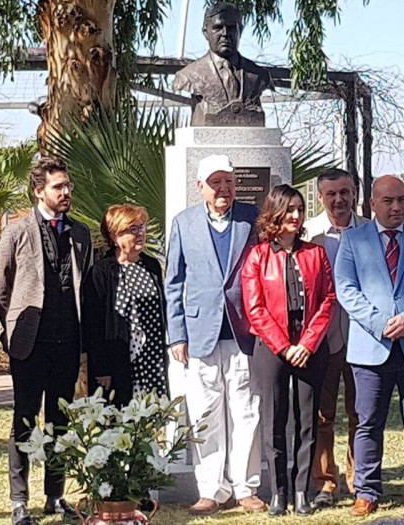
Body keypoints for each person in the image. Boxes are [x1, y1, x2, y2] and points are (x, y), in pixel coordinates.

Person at [334, 174, 404, 518]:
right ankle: (366, 492)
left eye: (401, 200)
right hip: (371, 347)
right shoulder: (353, 240)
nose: (396, 207)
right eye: (388, 201)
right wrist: (379, 324)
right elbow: (346, 289)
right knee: (368, 422)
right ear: (372, 204)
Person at [0, 157, 94, 525]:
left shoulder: (80, 233)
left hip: (69, 342)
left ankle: (55, 495)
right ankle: (20, 501)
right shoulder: (18, 230)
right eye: (58, 187)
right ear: (39, 190)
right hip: (30, 344)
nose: (66, 192)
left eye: (68, 186)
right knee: (24, 421)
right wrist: (14, 323)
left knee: (59, 423)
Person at [165, 154, 266, 516]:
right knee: (205, 413)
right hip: (200, 334)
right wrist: (177, 334)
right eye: (215, 183)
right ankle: (210, 488)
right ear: (201, 187)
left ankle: (245, 487)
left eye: (228, 181)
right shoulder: (184, 223)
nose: (223, 189)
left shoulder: (252, 218)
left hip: (245, 333)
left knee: (246, 413)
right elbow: (173, 282)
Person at [241, 185, 335, 516]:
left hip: (310, 347)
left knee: (308, 420)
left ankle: (301, 490)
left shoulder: (316, 253)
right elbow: (255, 308)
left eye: (299, 209)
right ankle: (279, 491)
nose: (295, 216)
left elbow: (327, 300)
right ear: (274, 214)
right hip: (271, 348)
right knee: (274, 420)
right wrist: (284, 346)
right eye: (288, 210)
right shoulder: (258, 256)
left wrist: (307, 344)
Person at [302, 168, 367, 507]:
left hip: (364, 338)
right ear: (320, 196)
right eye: (331, 194)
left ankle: (361, 479)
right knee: (323, 413)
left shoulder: (371, 231)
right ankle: (326, 480)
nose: (339, 200)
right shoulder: (309, 234)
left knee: (362, 412)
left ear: (354, 193)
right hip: (322, 339)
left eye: (345, 192)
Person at [81, 204, 167, 407]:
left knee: (151, 418)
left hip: (151, 360)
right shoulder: (101, 271)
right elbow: (94, 323)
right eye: (133, 229)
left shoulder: (151, 265)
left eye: (142, 227)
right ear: (114, 236)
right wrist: (101, 367)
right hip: (117, 362)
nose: (140, 234)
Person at [171, 2, 273, 127]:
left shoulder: (259, 75)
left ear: (240, 30)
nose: (225, 33)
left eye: (231, 28)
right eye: (218, 28)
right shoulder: (188, 76)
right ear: (205, 32)